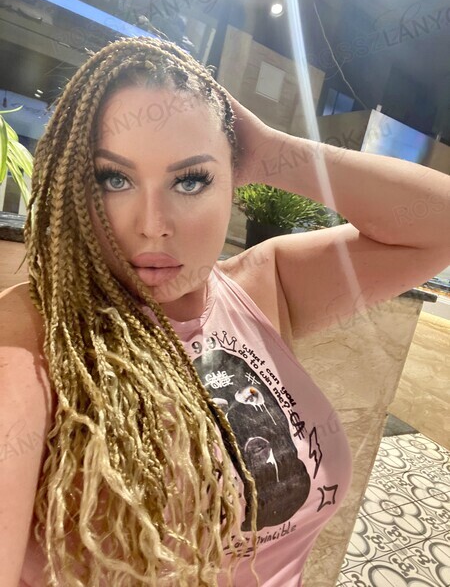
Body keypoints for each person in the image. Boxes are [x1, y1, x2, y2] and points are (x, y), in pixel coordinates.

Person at [1, 35, 449, 587]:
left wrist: (274, 150)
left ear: (234, 178)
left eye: (190, 180)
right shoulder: (36, 332)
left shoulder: (265, 283)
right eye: (113, 179)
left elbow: (438, 225)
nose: (152, 225)